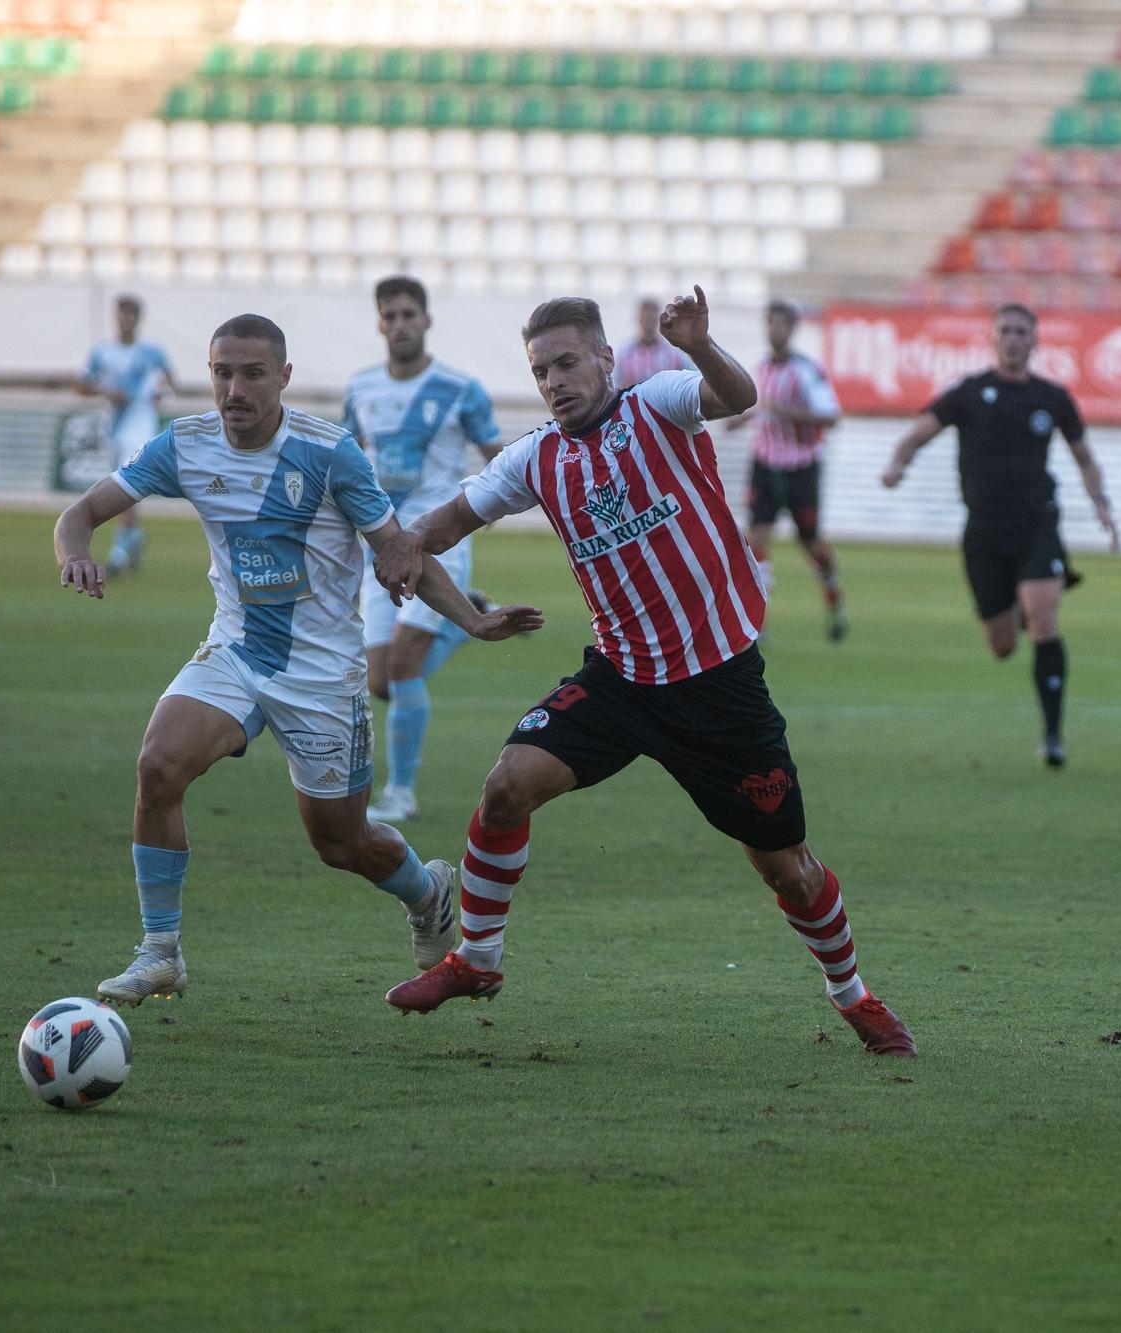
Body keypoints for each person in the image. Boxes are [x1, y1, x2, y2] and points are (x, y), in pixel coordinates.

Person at [374, 288, 917, 1059]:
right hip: (622, 681)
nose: (555, 381)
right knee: (505, 786)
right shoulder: (537, 456)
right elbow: (449, 517)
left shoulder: (658, 404)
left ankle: (855, 997)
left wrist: (698, 344)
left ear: (604, 358)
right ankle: (477, 960)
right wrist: (406, 541)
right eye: (540, 370)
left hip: (720, 686)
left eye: (567, 362)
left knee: (788, 869)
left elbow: (736, 395)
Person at [53, 313, 542, 1008]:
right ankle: (159, 951)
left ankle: (427, 890)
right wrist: (75, 552)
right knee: (158, 765)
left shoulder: (329, 453)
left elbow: (400, 548)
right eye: (223, 372)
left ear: (283, 377)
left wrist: (473, 618)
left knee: (341, 844)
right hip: (236, 650)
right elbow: (79, 513)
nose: (235, 389)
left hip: (322, 675)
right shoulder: (184, 444)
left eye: (253, 373)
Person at [880, 302, 1120, 767]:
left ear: (1035, 341)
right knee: (1003, 646)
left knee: (1046, 624)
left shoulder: (1052, 398)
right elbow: (916, 435)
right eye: (1005, 330)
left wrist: (1100, 504)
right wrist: (897, 466)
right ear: (993, 339)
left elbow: (1084, 457)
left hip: (1037, 523)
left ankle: (1053, 736)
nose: (1013, 338)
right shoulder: (969, 392)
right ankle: (1019, 605)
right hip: (984, 533)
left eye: (1021, 331)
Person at [342, 275, 506, 824]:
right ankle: (465, 622)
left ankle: (401, 793)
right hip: (380, 546)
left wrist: (475, 509)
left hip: (438, 541)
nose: (400, 324)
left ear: (427, 320)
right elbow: (345, 460)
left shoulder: (460, 388)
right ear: (379, 323)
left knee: (406, 663)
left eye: (409, 314)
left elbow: (497, 456)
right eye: (390, 315)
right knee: (381, 681)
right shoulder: (360, 389)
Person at [729, 299, 848, 641]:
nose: (773, 330)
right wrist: (740, 420)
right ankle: (757, 623)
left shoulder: (806, 371)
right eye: (769, 323)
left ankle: (834, 598)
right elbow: (759, 408)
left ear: (793, 328)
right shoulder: (761, 368)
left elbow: (830, 417)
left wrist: (786, 412)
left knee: (811, 543)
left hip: (800, 467)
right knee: (757, 540)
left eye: (779, 324)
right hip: (765, 465)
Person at [76, 293, 178, 575]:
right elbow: (82, 386)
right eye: (121, 315)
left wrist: (160, 391)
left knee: (125, 481)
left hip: (140, 426)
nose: (125, 321)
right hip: (113, 427)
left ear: (138, 319)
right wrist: (107, 391)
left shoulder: (151, 352)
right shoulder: (102, 352)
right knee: (122, 483)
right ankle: (132, 537)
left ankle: (120, 550)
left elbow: (170, 381)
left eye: (130, 315)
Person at [610, 296, 689, 389]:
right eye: (646, 318)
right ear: (639, 319)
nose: (648, 321)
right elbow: (614, 385)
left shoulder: (673, 353)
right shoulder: (623, 353)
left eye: (652, 318)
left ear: (658, 320)